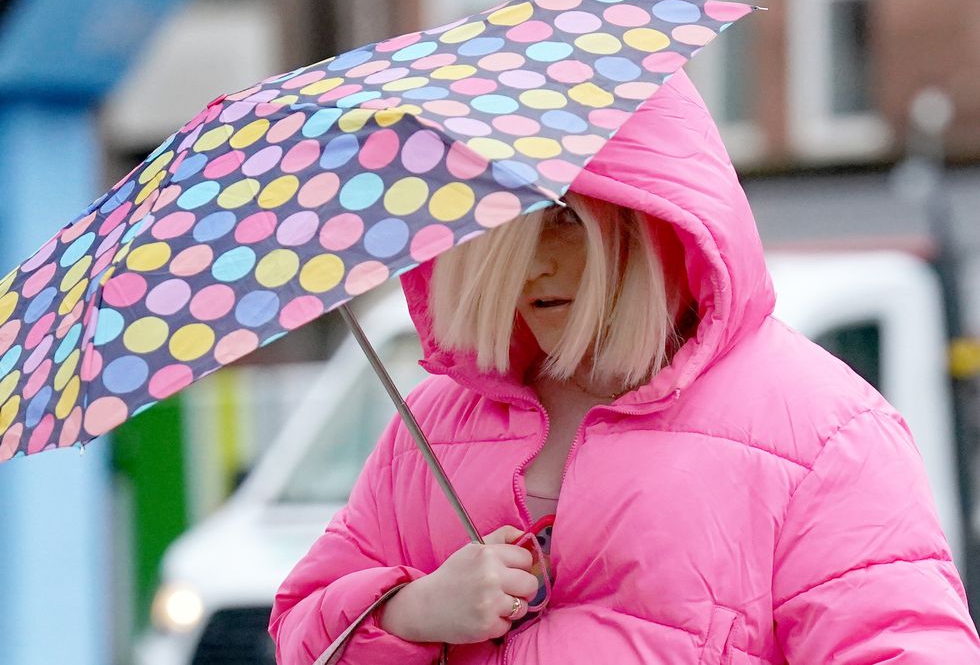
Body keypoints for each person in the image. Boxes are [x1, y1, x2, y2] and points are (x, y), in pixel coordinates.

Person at [269, 69, 980, 663]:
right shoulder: (431, 427)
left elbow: (899, 646)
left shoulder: (823, 432)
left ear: (657, 222)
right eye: (500, 231)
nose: (535, 265)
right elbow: (301, 632)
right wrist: (412, 612)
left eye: (567, 220)